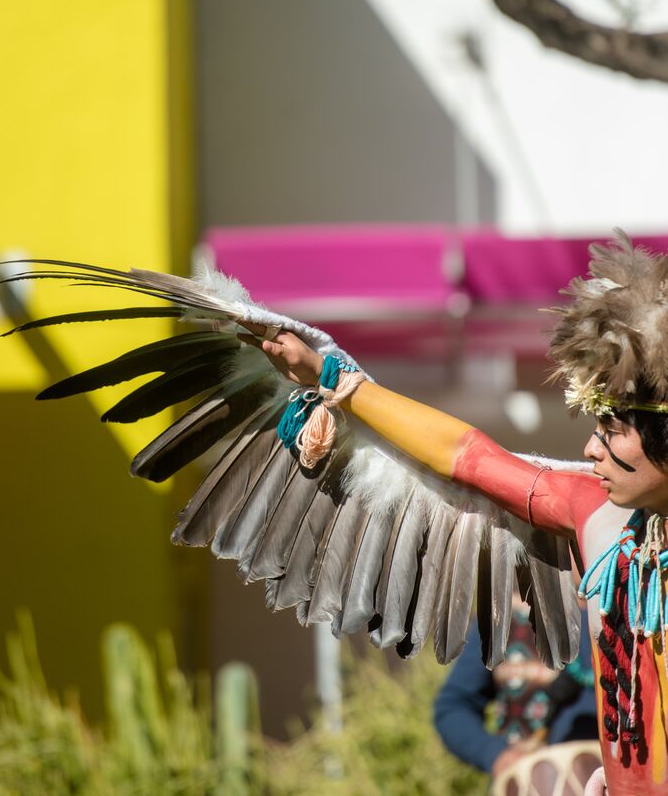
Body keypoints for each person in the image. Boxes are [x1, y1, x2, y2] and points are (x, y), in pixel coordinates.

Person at [251, 234, 668, 795]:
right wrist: (333, 378)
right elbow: (468, 458)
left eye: (612, 430)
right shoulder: (591, 510)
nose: (592, 449)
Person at [434, 601, 597, 779]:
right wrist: (495, 754)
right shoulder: (503, 622)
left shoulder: (627, 615)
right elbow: (453, 706)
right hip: (531, 781)